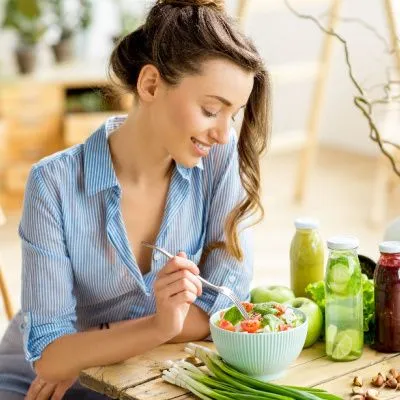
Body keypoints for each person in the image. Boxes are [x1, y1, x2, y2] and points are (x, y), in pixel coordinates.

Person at [0, 0, 270, 398]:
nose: (224, 134)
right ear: (150, 85)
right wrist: (163, 325)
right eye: (211, 110)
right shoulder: (53, 184)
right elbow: (49, 356)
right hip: (39, 387)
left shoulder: (216, 160)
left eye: (234, 114)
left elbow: (227, 305)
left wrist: (88, 346)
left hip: (137, 380)